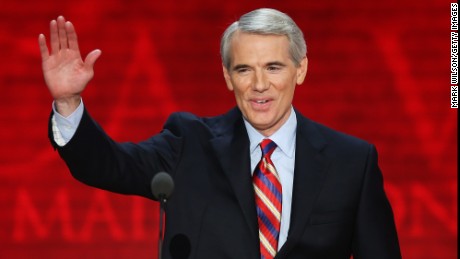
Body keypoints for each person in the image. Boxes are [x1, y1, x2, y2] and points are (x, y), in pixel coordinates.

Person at [39, 8, 402, 259]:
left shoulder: (352, 161)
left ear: (300, 69)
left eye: (274, 67)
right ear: (228, 77)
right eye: (244, 70)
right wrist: (69, 102)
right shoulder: (189, 143)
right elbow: (107, 165)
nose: (260, 85)